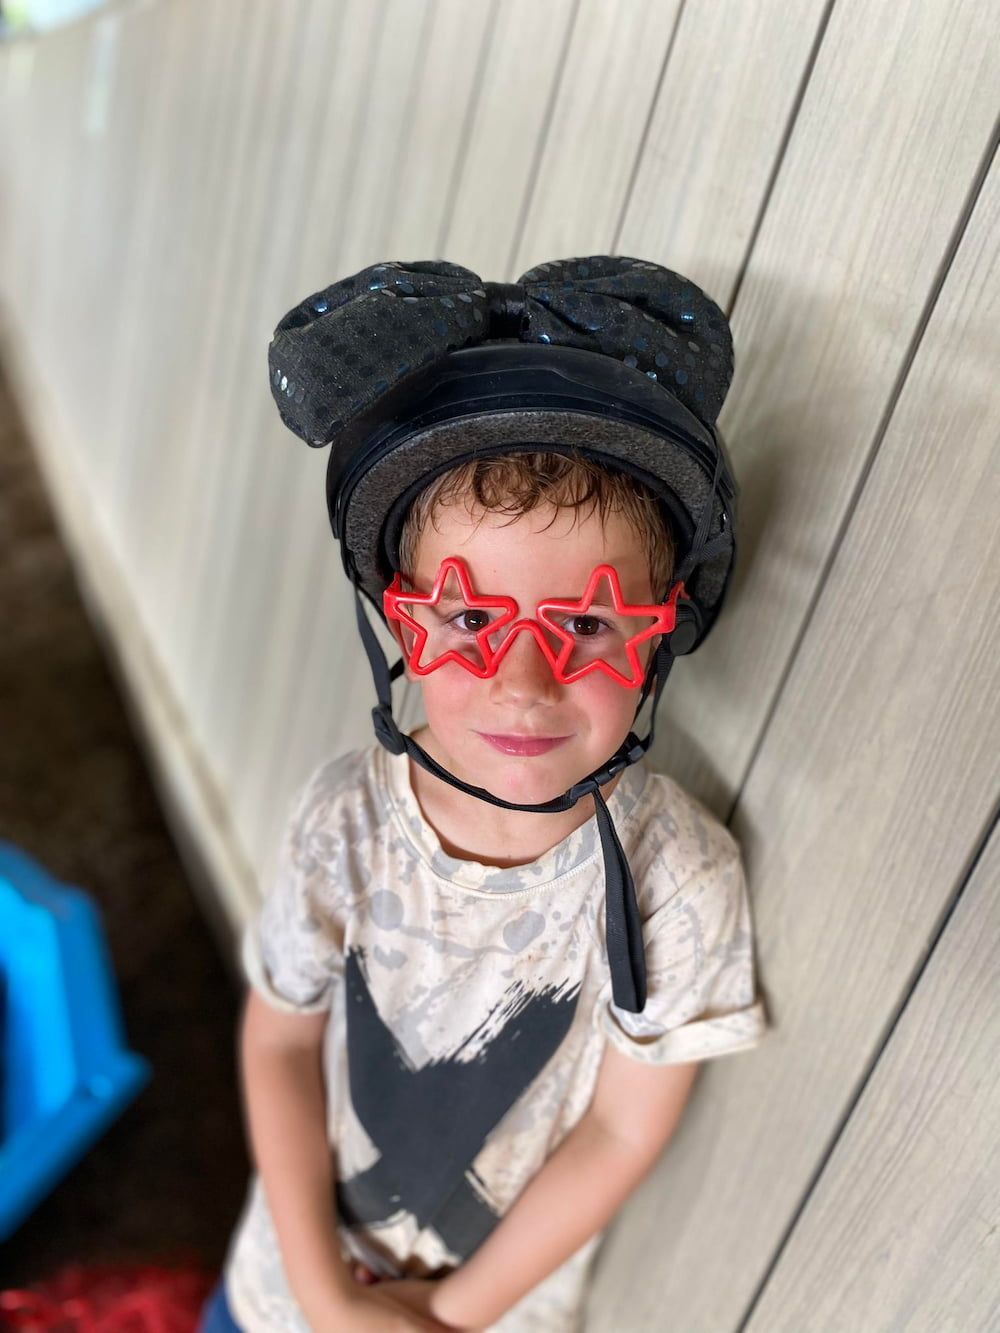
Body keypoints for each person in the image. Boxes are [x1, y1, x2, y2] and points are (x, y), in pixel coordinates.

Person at [199, 255, 769, 1333]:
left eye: (588, 623)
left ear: (661, 631)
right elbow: (277, 1041)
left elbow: (620, 1132)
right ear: (401, 626)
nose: (524, 680)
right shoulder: (346, 819)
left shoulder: (677, 882)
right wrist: (323, 1298)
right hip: (279, 1292)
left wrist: (444, 1316)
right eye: (468, 619)